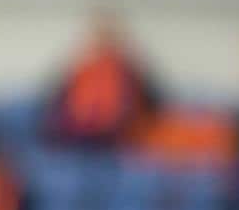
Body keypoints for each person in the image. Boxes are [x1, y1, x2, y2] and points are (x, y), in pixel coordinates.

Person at [42, 12, 159, 149]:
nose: (105, 45)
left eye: (108, 38)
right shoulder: (80, 71)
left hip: (113, 135)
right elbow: (54, 110)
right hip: (80, 133)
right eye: (101, 38)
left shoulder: (129, 72)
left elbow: (149, 110)